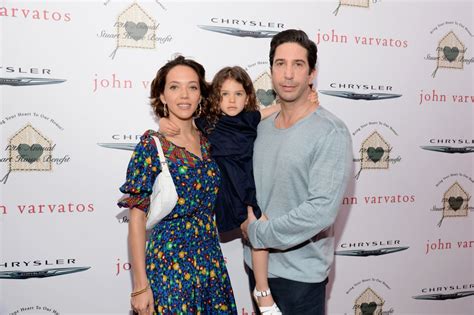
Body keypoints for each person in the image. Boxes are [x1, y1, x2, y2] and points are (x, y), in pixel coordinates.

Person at [160, 66, 291, 314]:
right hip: (224, 188)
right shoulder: (207, 123)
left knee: (259, 231)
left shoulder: (250, 118)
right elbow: (180, 122)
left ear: (248, 96)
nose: (232, 100)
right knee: (254, 230)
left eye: (238, 94)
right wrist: (163, 121)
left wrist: (306, 99)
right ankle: (262, 292)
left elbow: (276, 109)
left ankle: (262, 291)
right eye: (224, 94)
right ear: (215, 98)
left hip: (246, 184)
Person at [240, 29, 352, 315]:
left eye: (298, 65)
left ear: (311, 73)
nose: (288, 74)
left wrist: (259, 233)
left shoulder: (330, 131)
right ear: (271, 70)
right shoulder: (259, 128)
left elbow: (320, 211)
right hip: (258, 269)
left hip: (301, 278)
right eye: (280, 64)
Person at [118, 56, 237, 314]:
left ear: (201, 95)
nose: (184, 95)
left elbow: (250, 119)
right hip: (168, 265)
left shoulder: (211, 139)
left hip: (211, 264)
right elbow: (136, 220)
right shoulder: (151, 146)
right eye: (174, 87)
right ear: (162, 96)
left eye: (192, 87)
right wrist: (140, 287)